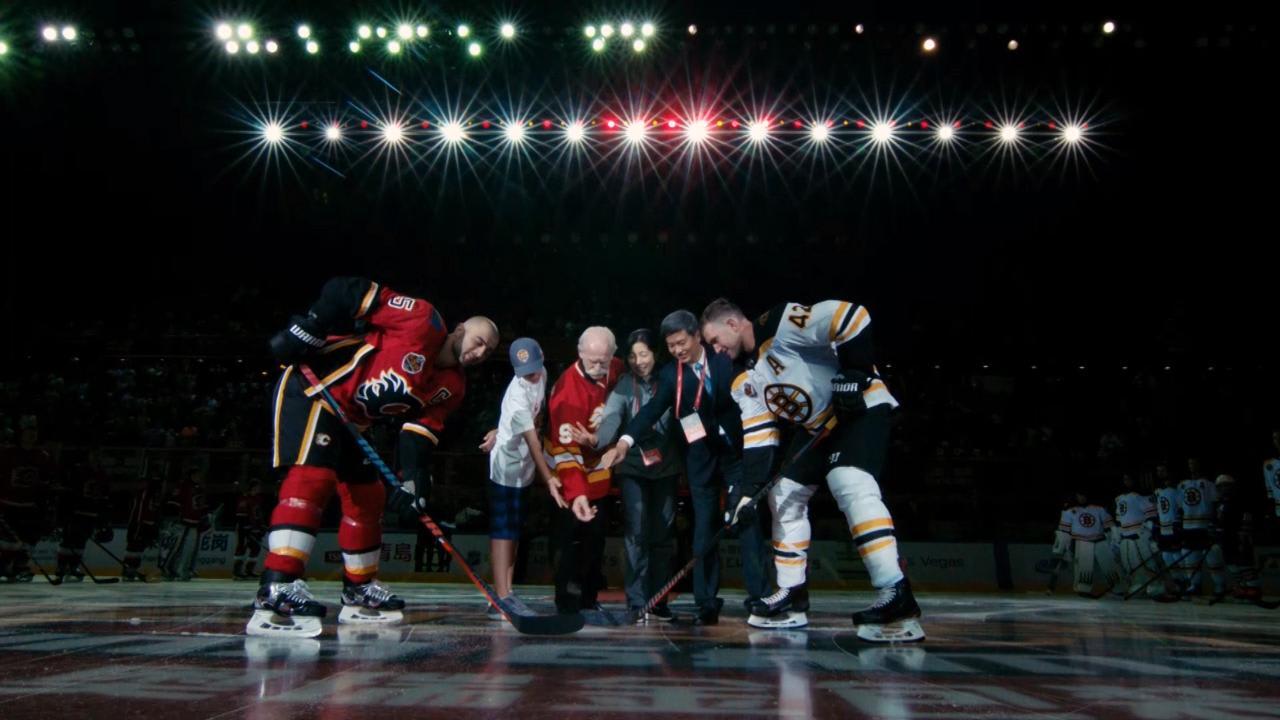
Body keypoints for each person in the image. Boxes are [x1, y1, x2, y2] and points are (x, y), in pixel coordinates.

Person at [254, 276, 498, 636]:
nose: (479, 353)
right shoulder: (422, 319)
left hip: (354, 421)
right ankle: (278, 586)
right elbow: (344, 290)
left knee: (369, 496)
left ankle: (359, 588)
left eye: (488, 352)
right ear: (460, 329)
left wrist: (414, 480)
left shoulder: (453, 386)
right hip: (317, 392)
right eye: (478, 341)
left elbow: (419, 432)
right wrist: (310, 328)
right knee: (313, 480)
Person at [699, 298, 923, 643]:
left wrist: (856, 373)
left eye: (715, 340)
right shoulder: (741, 377)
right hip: (818, 427)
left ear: (732, 324)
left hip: (860, 409)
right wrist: (747, 493)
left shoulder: (779, 323)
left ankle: (895, 592)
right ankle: (792, 594)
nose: (715, 350)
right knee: (784, 493)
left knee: (848, 480)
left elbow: (850, 316)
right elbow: (760, 435)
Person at [599, 310, 766, 626]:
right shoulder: (670, 375)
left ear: (697, 336)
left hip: (736, 455)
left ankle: (759, 599)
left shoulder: (724, 359)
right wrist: (624, 442)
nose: (677, 350)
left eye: (681, 342)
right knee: (704, 530)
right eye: (671, 345)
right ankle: (706, 603)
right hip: (701, 459)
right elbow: (651, 410)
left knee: (747, 521)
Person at [593, 329, 682, 624]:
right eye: (632, 355)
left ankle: (659, 600)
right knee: (636, 532)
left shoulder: (670, 380)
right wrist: (597, 439)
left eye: (644, 354)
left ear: (655, 353)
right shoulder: (623, 384)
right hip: (632, 467)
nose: (638, 361)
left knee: (663, 534)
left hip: (667, 467)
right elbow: (611, 417)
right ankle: (637, 600)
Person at [480, 337, 562, 621]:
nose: (533, 375)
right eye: (526, 373)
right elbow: (532, 441)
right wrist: (548, 477)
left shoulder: (542, 373)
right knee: (503, 530)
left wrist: (499, 428)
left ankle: (508, 591)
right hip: (506, 467)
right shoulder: (517, 397)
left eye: (535, 368)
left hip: (524, 465)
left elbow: (538, 421)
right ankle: (501, 597)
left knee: (515, 529)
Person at [546, 327, 624, 617]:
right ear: (579, 353)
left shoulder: (615, 368)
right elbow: (566, 452)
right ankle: (566, 600)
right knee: (568, 535)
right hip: (568, 466)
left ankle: (589, 597)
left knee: (596, 535)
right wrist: (577, 494)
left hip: (599, 465)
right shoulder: (566, 394)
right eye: (593, 361)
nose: (599, 367)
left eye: (604, 360)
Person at [0, 416, 57, 583]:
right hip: (7, 505)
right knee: (8, 540)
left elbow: (46, 482)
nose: (32, 434)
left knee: (30, 539)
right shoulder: (7, 453)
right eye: (28, 431)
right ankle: (5, 566)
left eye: (34, 431)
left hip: (30, 506)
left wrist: (47, 504)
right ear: (21, 433)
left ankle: (19, 566)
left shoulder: (42, 456)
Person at [1112, 473, 1172, 601]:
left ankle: (1156, 587)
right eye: (1125, 479)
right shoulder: (1119, 498)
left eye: (1129, 479)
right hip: (1126, 538)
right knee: (1131, 564)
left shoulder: (1141, 496)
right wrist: (1118, 536)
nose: (1126, 481)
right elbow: (1119, 520)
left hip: (1140, 536)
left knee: (1148, 563)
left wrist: (1150, 535)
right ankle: (1138, 585)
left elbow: (1151, 517)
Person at [1178, 458, 1224, 599]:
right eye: (1190, 463)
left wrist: (1214, 523)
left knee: (1212, 555)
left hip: (1204, 526)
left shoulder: (1209, 484)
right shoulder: (1182, 485)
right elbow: (1180, 508)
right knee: (1190, 556)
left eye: (1194, 463)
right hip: (1188, 527)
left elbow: (1216, 504)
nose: (1192, 466)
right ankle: (1194, 585)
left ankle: (1219, 586)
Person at [1069, 491, 1117, 597]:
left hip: (1100, 540)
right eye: (1079, 496)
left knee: (1109, 565)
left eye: (1082, 495)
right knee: (1084, 568)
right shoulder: (1071, 511)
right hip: (1082, 542)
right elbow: (1068, 530)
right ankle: (1083, 589)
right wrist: (1070, 545)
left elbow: (1109, 525)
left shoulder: (1099, 509)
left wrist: (1113, 539)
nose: (1081, 498)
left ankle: (1118, 587)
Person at [124, 474, 165, 581]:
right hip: (140, 525)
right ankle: (129, 570)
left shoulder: (149, 494)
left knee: (138, 548)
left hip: (144, 525)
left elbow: (154, 511)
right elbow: (138, 511)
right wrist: (136, 524)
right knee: (134, 548)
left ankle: (133, 570)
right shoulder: (142, 494)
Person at [233, 479, 267, 580]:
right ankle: (237, 572)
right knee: (242, 548)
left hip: (255, 528)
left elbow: (258, 515)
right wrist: (245, 527)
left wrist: (261, 526)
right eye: (257, 487)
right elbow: (241, 514)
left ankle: (249, 570)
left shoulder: (257, 499)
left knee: (255, 548)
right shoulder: (245, 498)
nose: (259, 489)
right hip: (245, 528)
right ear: (252, 487)